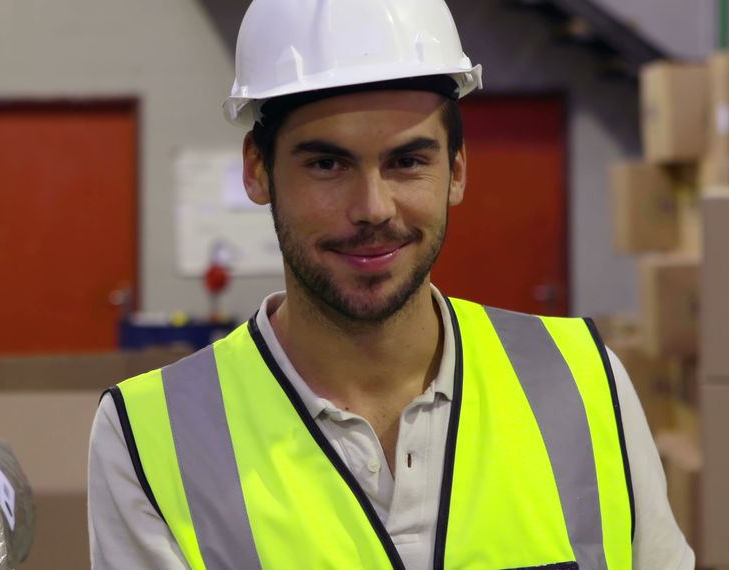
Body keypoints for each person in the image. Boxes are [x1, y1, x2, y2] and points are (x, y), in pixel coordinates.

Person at [88, 0, 694, 568]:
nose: (373, 208)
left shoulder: (585, 384)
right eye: (327, 164)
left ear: (455, 171)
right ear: (258, 170)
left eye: (407, 162)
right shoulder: (149, 438)